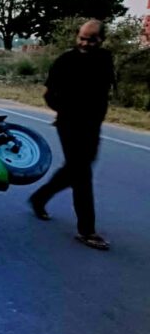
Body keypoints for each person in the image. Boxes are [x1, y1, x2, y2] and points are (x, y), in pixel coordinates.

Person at [29, 19, 115, 251]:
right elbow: (48, 94)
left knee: (76, 169)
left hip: (92, 125)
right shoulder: (66, 60)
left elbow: (104, 91)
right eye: (82, 38)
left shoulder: (105, 59)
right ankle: (87, 230)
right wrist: (67, 111)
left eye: (91, 40)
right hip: (69, 125)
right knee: (82, 174)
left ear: (101, 39)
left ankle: (39, 197)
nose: (85, 43)